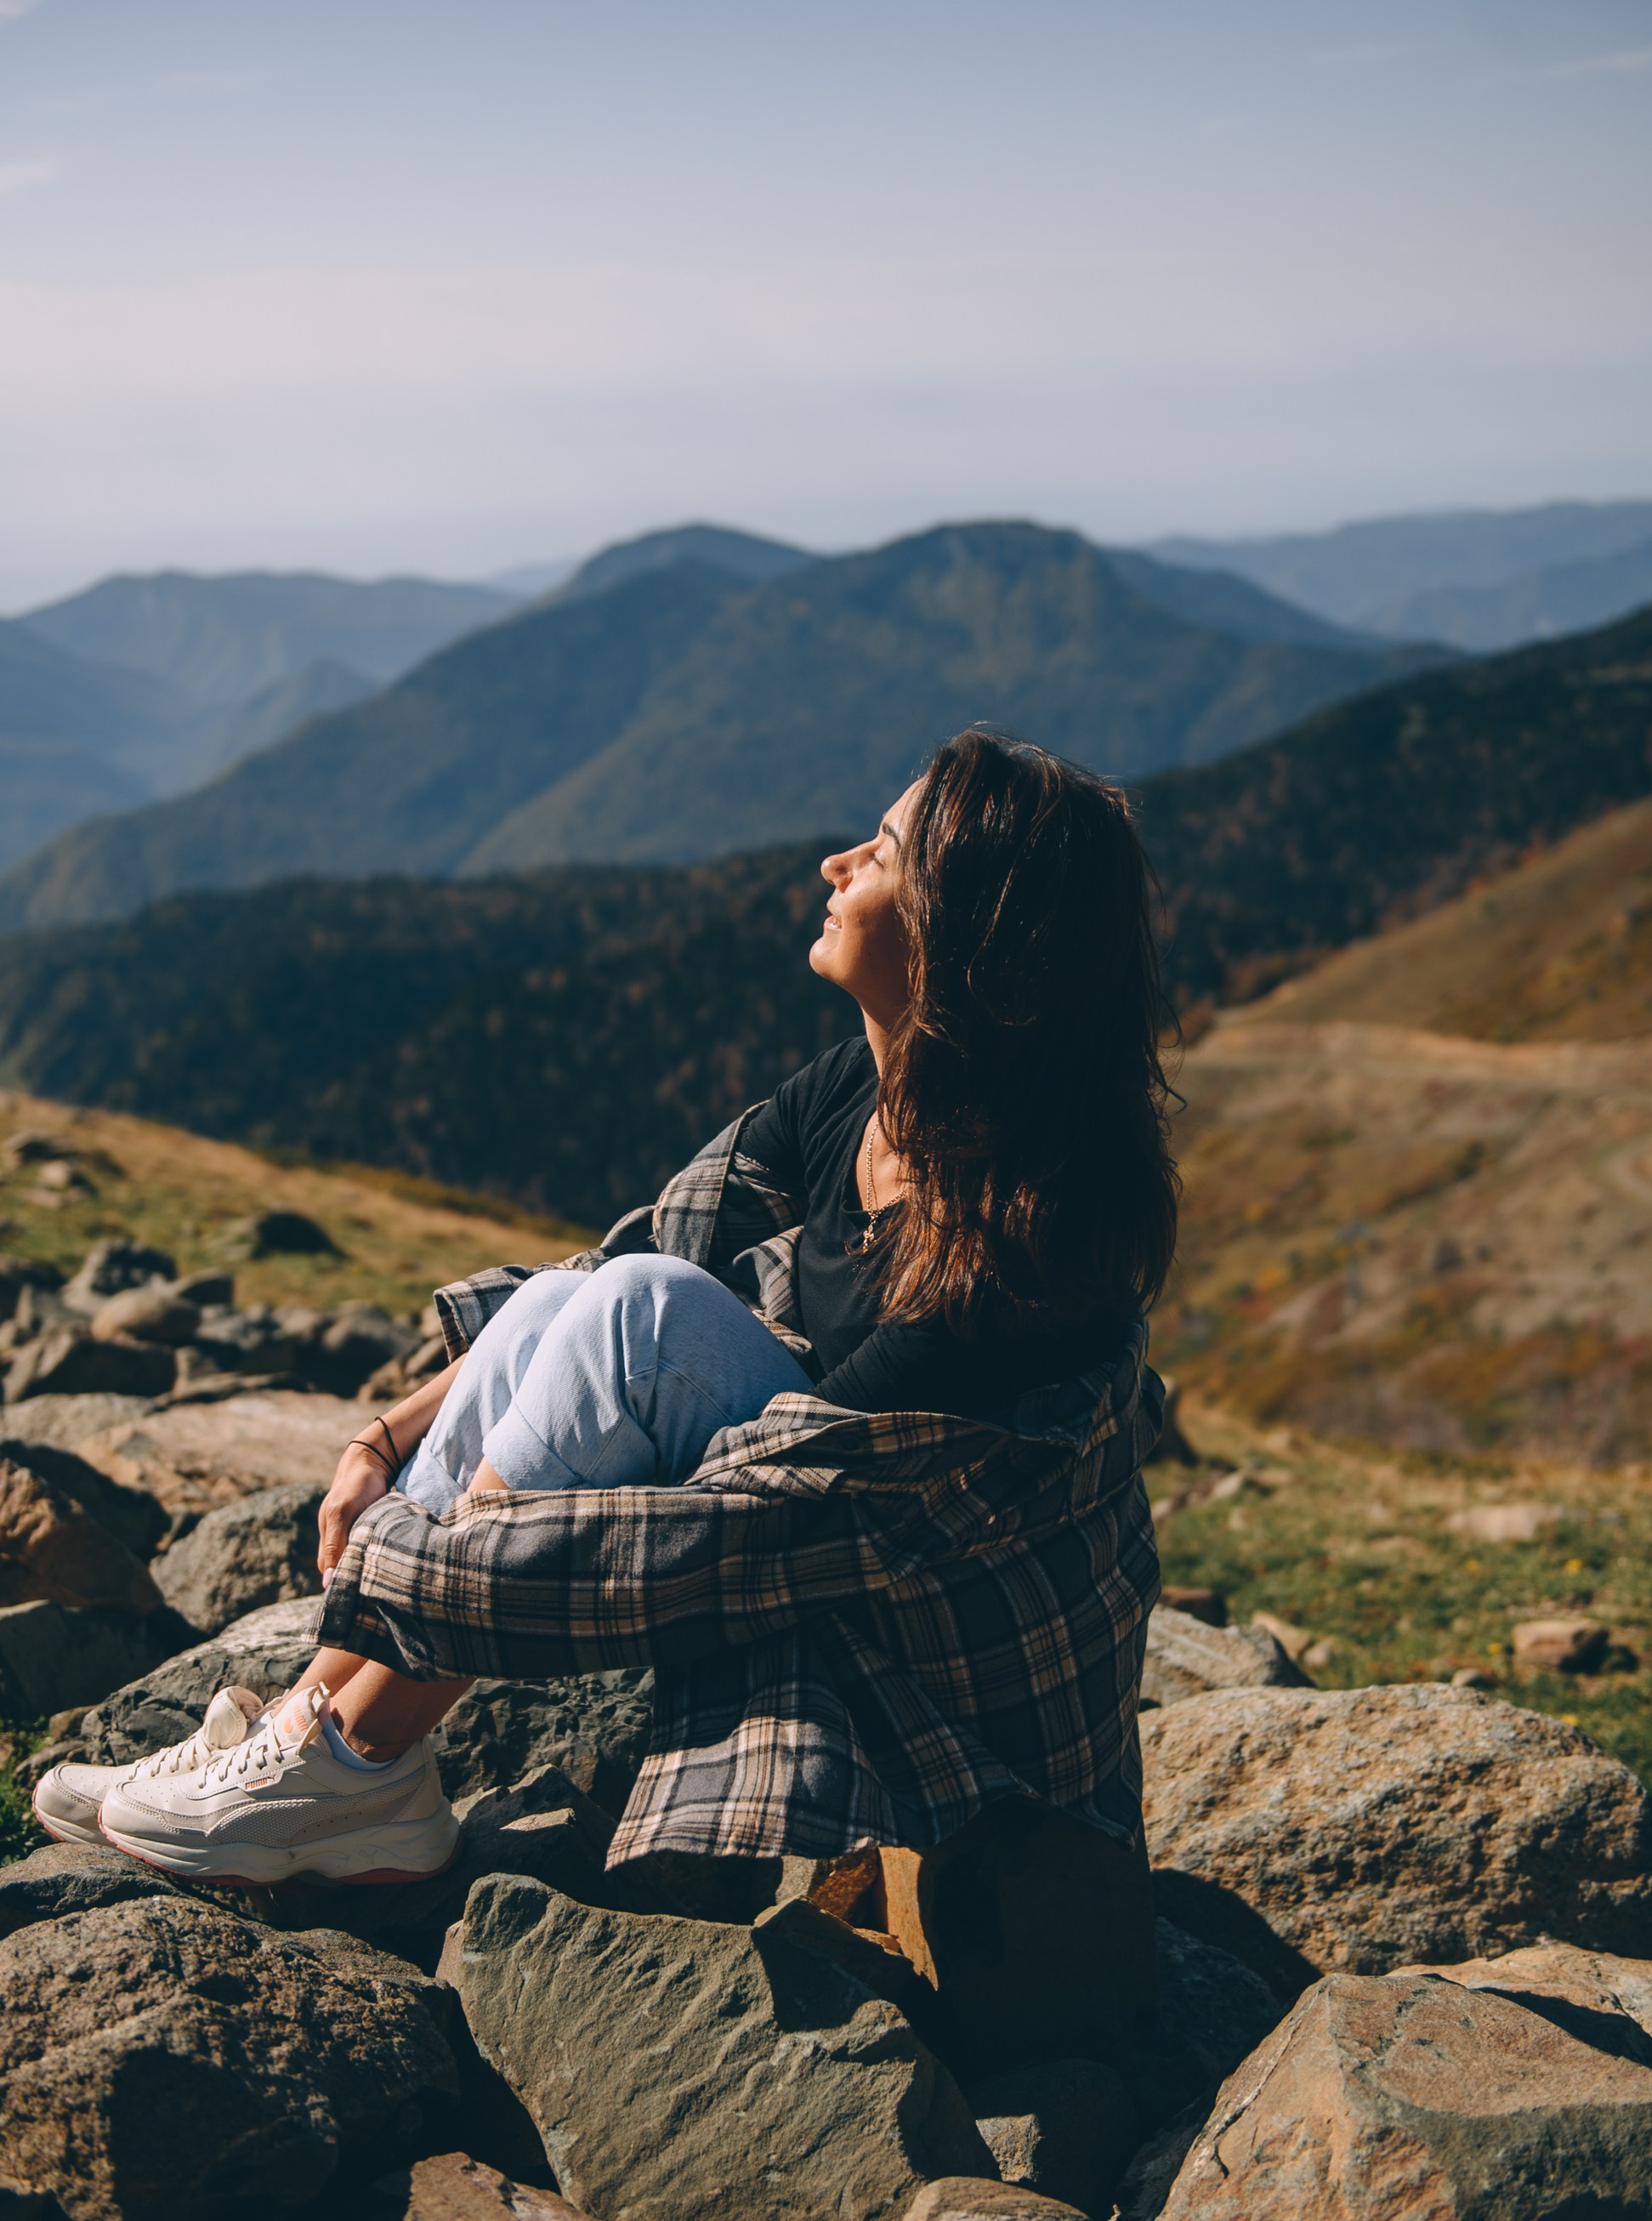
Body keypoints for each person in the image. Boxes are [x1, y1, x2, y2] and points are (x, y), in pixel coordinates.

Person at [37, 728, 1178, 1894]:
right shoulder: (864, 1091)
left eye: (879, 854)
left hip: (956, 1681)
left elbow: (774, 1515)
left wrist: (428, 1561)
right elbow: (624, 1258)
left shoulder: (1022, 1250)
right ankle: (310, 1739)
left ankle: (356, 1755)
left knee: (642, 1319)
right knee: (590, 1301)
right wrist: (386, 1438)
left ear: (960, 932)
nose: (836, 864)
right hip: (832, 1538)